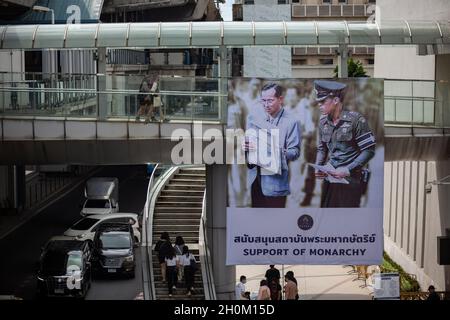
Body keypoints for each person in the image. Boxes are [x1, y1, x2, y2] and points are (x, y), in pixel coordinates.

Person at [314, 80, 376, 208]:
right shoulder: (323, 123)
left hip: (350, 180)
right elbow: (322, 149)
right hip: (330, 180)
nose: (319, 105)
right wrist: (318, 166)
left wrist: (347, 169)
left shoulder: (356, 120)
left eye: (323, 101)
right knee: (327, 220)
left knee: (347, 222)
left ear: (336, 100)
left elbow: (369, 150)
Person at [244, 83, 301, 208]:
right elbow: (249, 153)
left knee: (276, 225)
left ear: (280, 99)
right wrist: (247, 149)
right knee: (258, 224)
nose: (265, 105)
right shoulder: (254, 119)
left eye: (270, 101)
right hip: (256, 182)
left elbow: (295, 152)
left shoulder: (292, 121)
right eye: (263, 101)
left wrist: (276, 151)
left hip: (276, 184)